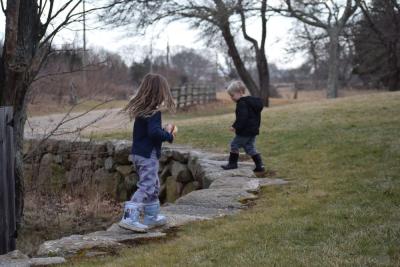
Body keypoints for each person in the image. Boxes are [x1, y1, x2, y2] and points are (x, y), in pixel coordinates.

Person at [119, 73, 176, 232]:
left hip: (139, 153)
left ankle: (151, 216)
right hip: (147, 155)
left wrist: (162, 131)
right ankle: (129, 217)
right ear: (160, 93)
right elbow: (154, 133)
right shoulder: (154, 112)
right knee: (147, 185)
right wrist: (169, 135)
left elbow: (151, 131)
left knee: (154, 184)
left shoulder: (143, 111)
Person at [221, 81, 265, 174]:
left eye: (232, 95)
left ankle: (232, 164)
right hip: (253, 130)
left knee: (234, 145)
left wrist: (235, 126)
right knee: (249, 147)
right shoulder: (251, 102)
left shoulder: (242, 103)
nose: (231, 98)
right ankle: (260, 166)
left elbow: (242, 117)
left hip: (245, 131)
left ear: (240, 92)